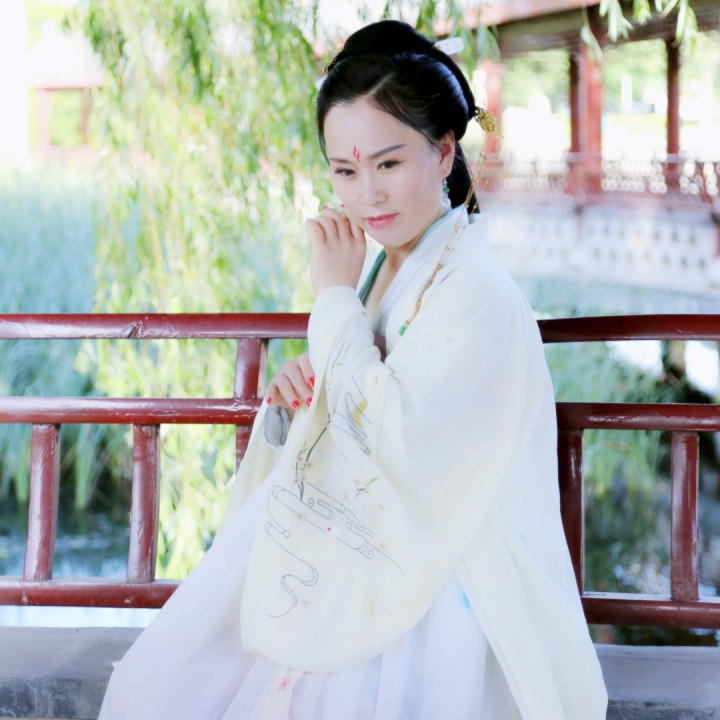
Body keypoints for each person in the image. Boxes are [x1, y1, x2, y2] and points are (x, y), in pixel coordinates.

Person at [99, 19, 608, 720]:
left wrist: (334, 303)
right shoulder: (392, 269)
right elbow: (362, 393)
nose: (367, 194)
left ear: (444, 150)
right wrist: (304, 392)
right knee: (160, 685)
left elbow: (400, 439)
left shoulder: (476, 291)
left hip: (443, 573)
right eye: (345, 171)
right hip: (371, 546)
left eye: (388, 165)